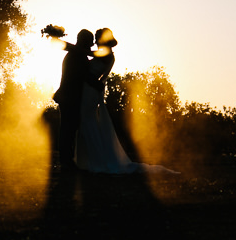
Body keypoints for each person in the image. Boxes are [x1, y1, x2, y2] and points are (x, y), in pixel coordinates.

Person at [75, 28, 179, 175]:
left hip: (90, 91)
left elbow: (85, 54)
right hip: (87, 90)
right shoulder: (105, 54)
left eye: (97, 38)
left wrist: (61, 43)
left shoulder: (106, 54)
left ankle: (94, 160)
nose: (95, 42)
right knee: (86, 121)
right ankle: (87, 159)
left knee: (87, 121)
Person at [51, 28, 94, 171]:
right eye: (90, 41)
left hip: (68, 96)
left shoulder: (75, 54)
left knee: (68, 128)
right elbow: (83, 75)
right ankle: (66, 161)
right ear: (84, 41)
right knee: (68, 129)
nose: (92, 44)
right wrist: (98, 84)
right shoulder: (77, 56)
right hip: (70, 97)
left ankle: (67, 159)